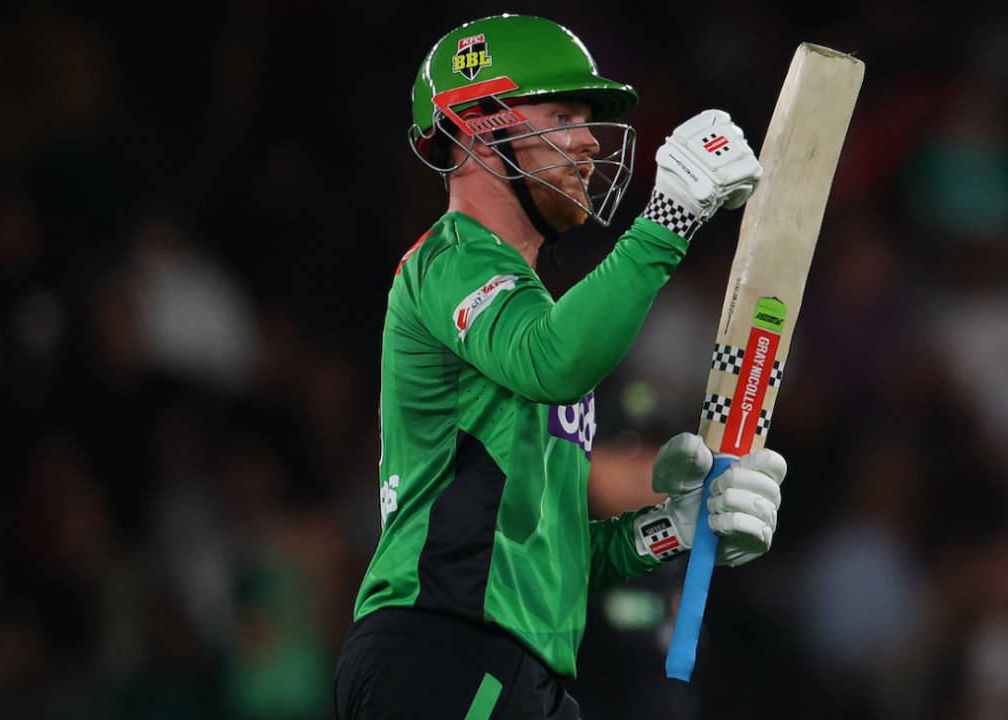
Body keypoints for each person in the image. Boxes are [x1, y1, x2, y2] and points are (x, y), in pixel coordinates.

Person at [335, 14, 789, 719]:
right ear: (478, 131)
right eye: (561, 116)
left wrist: (675, 524)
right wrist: (667, 220)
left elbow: (556, 553)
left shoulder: (532, 312)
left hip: (513, 665)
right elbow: (553, 361)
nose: (588, 140)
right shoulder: (448, 260)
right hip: (443, 646)